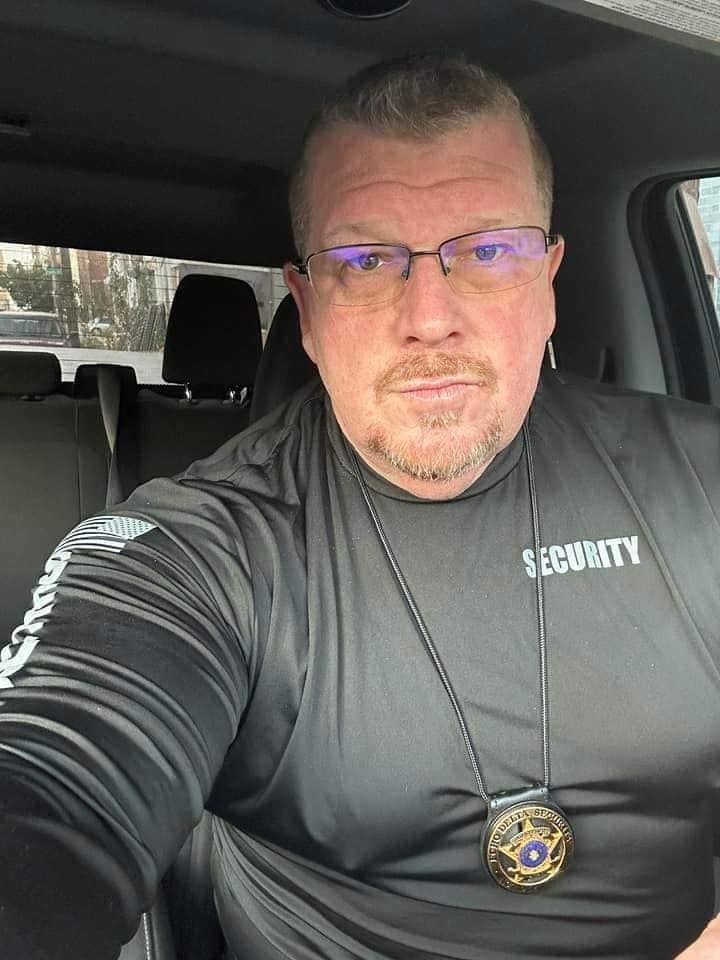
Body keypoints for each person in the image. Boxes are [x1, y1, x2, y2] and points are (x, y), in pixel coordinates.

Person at [1, 53, 720, 960]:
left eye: (488, 251)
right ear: (306, 311)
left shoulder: (702, 479)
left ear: (548, 283)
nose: (430, 316)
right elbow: (53, 786)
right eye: (366, 260)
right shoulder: (200, 549)